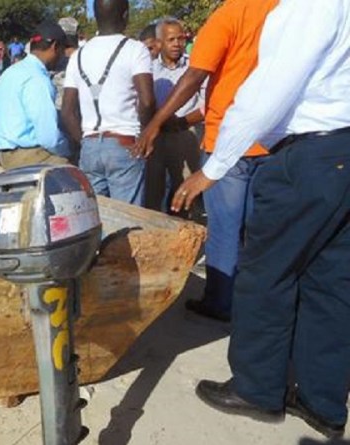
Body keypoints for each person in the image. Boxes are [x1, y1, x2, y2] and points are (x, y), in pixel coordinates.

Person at [172, 0, 350, 440]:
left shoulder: (308, 7)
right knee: (329, 282)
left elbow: (270, 89)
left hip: (306, 153)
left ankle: (257, 388)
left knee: (265, 273)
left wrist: (212, 169)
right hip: (340, 149)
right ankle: (322, 401)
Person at [133, 0, 278, 321]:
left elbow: (196, 75)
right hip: (273, 139)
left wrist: (155, 124)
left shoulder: (230, 14)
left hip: (228, 141)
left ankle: (220, 301)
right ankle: (256, 301)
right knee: (258, 229)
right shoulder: (287, 11)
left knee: (225, 228)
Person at [60, 0, 154, 206]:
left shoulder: (78, 55)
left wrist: (85, 142)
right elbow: (147, 101)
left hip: (90, 146)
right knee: (128, 221)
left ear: (96, 16)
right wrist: (146, 135)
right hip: (125, 143)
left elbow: (67, 111)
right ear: (125, 15)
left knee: (96, 217)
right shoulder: (135, 49)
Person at [143, 17, 204, 214]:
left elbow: (207, 103)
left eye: (181, 38)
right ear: (159, 42)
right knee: (154, 192)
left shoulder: (195, 67)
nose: (177, 44)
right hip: (157, 137)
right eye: (171, 40)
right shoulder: (148, 69)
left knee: (188, 191)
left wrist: (181, 123)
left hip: (187, 135)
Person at [0, 21, 69, 169]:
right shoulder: (37, 79)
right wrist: (68, 149)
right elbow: (49, 138)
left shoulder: (11, 72)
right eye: (62, 49)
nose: (62, 56)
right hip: (27, 156)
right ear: (54, 46)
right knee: (78, 175)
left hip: (5, 154)